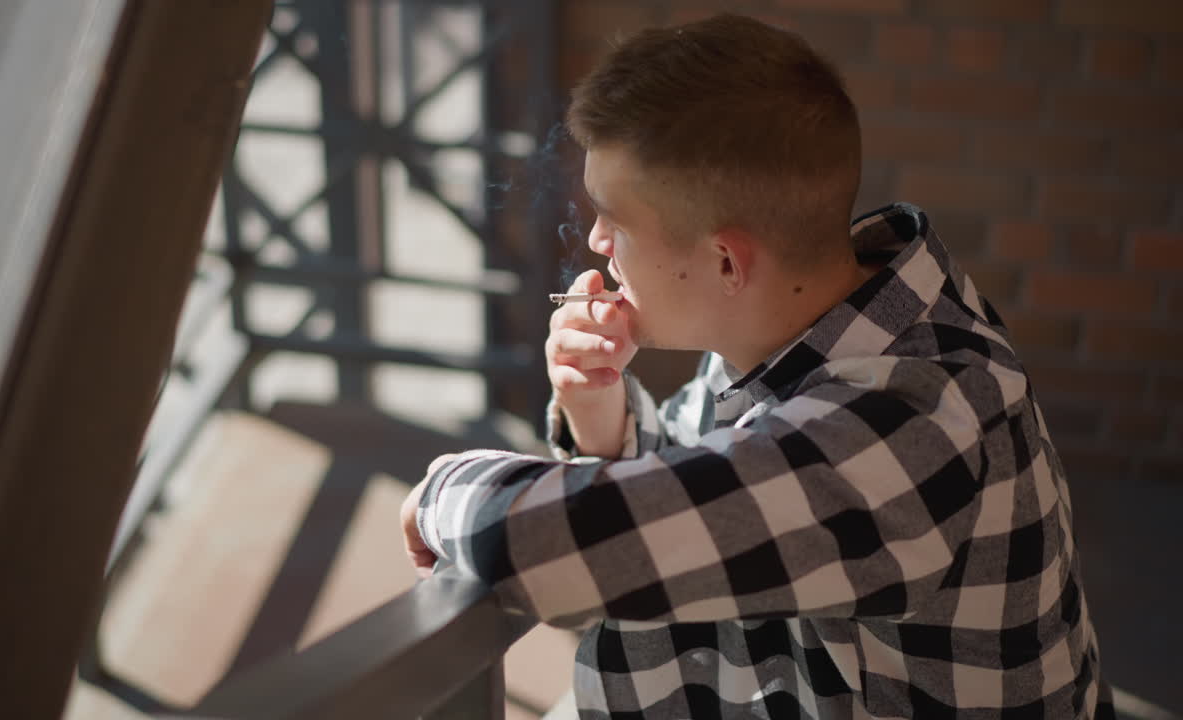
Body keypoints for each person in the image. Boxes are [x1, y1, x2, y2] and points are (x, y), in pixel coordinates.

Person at [400, 13, 1114, 720]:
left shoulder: (912, 424)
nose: (595, 240)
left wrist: (440, 487)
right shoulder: (816, 324)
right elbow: (711, 496)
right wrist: (599, 409)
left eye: (613, 218)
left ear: (725, 262)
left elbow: (556, 548)